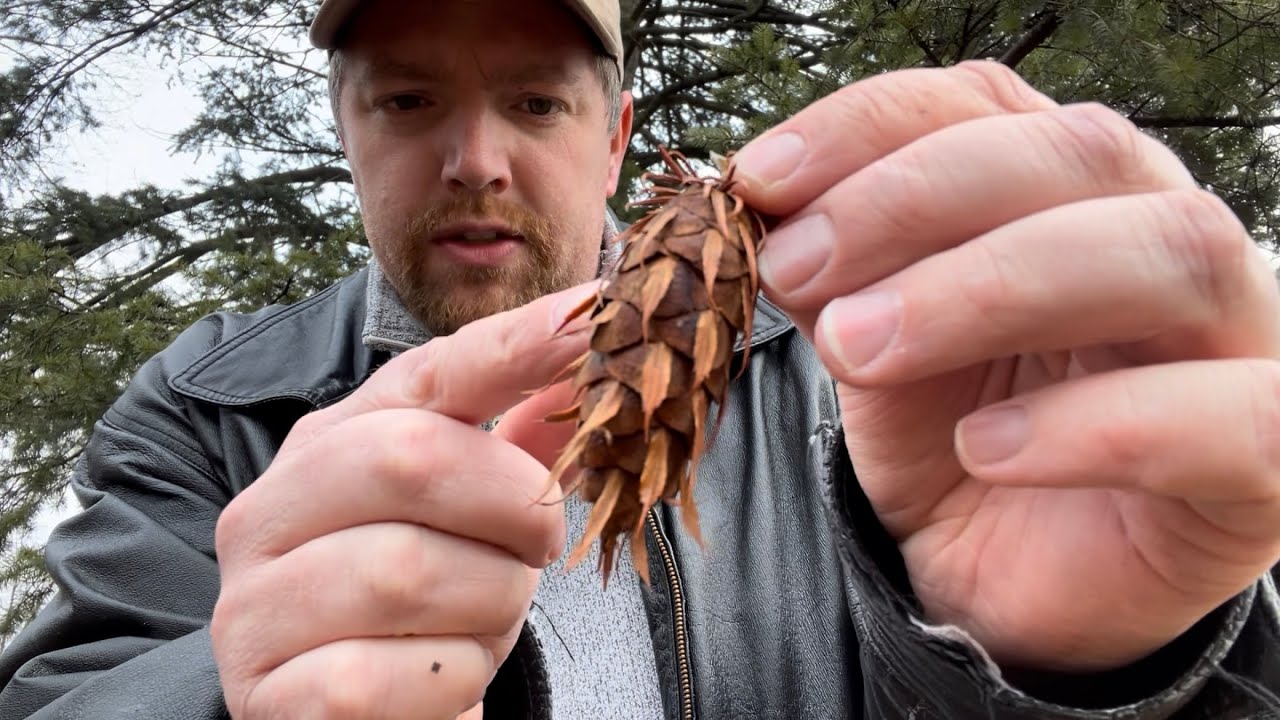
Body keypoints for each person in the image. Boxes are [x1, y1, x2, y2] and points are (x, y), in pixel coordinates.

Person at [2, 0, 1279, 717]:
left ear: (615, 138)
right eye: (406, 101)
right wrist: (233, 688)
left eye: (535, 102)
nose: (476, 162)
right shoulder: (212, 406)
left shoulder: (864, 373)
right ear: (346, 130)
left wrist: (1071, 674)